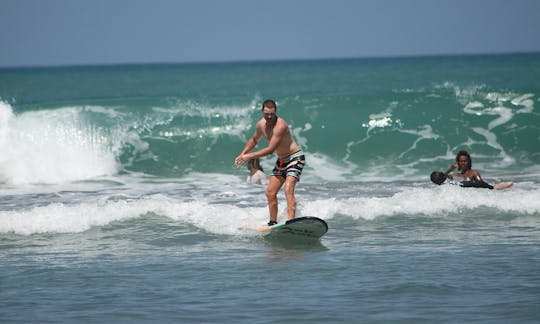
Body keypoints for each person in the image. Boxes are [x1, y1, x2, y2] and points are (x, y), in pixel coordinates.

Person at [234, 99, 305, 226]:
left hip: (295, 158)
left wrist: (249, 156)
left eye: (272, 113)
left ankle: (291, 222)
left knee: (288, 189)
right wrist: (243, 153)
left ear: (275, 111)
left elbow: (270, 150)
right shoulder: (261, 124)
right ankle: (273, 223)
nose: (270, 116)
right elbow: (254, 139)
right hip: (282, 160)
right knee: (270, 192)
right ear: (262, 112)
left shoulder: (280, 125)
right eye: (267, 114)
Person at [430, 150, 513, 190]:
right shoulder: (456, 176)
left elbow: (481, 184)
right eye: (461, 161)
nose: (463, 163)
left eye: (465, 161)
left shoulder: (473, 173)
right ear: (458, 162)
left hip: (489, 187)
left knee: (509, 184)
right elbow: (441, 178)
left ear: (468, 161)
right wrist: (450, 169)